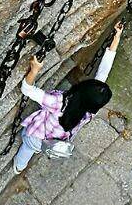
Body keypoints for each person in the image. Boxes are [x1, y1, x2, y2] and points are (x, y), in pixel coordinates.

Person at [12, 21, 123, 173]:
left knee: (27, 145)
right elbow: (103, 72)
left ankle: (19, 164)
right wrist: (116, 37)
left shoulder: (58, 103)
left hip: (37, 136)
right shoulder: (89, 111)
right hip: (54, 139)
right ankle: (19, 167)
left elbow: (27, 89)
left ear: (82, 88)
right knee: (30, 151)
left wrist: (35, 69)